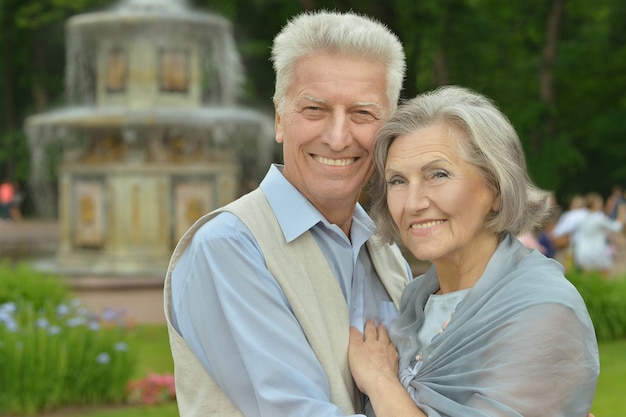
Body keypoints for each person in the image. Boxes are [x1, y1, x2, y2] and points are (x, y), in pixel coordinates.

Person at [163, 10, 412, 417]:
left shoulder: (385, 253)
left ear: (390, 129)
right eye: (314, 109)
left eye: (362, 113)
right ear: (280, 119)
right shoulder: (230, 247)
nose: (336, 137)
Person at [349, 86, 599, 416]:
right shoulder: (416, 299)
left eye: (437, 174)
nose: (413, 203)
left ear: (496, 187)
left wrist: (381, 382)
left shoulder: (543, 310)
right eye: (397, 181)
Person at [574, 191, 626, 276]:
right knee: (604, 276)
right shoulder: (599, 217)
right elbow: (616, 228)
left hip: (582, 251)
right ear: (596, 204)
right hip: (597, 251)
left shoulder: (581, 217)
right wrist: (621, 214)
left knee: (586, 278)